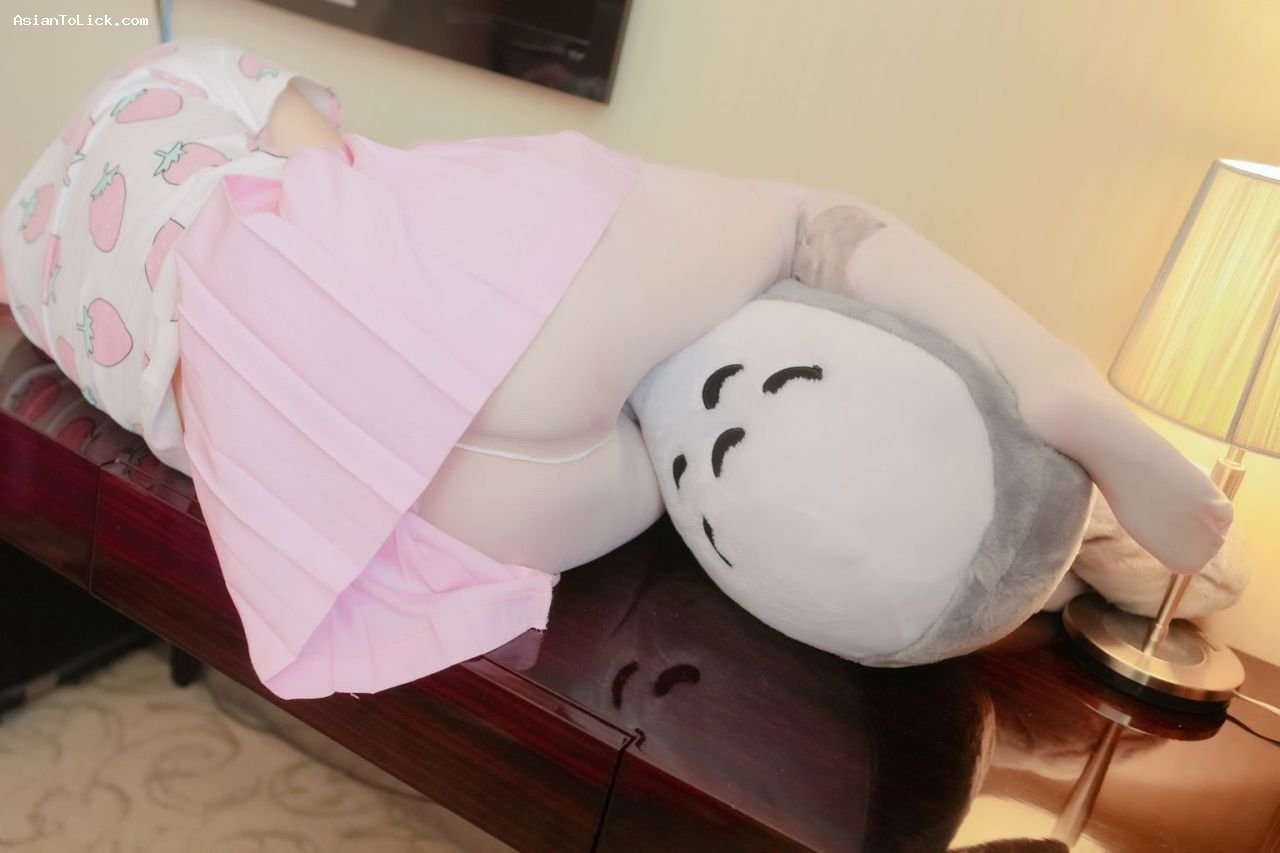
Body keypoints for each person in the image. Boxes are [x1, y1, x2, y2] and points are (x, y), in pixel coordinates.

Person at [0, 39, 1231, 697]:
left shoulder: (33, 267)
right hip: (452, 324)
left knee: (677, 429)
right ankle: (1051, 381)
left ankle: (1068, 567)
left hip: (390, 502)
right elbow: (324, 157)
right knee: (798, 226)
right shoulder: (184, 74)